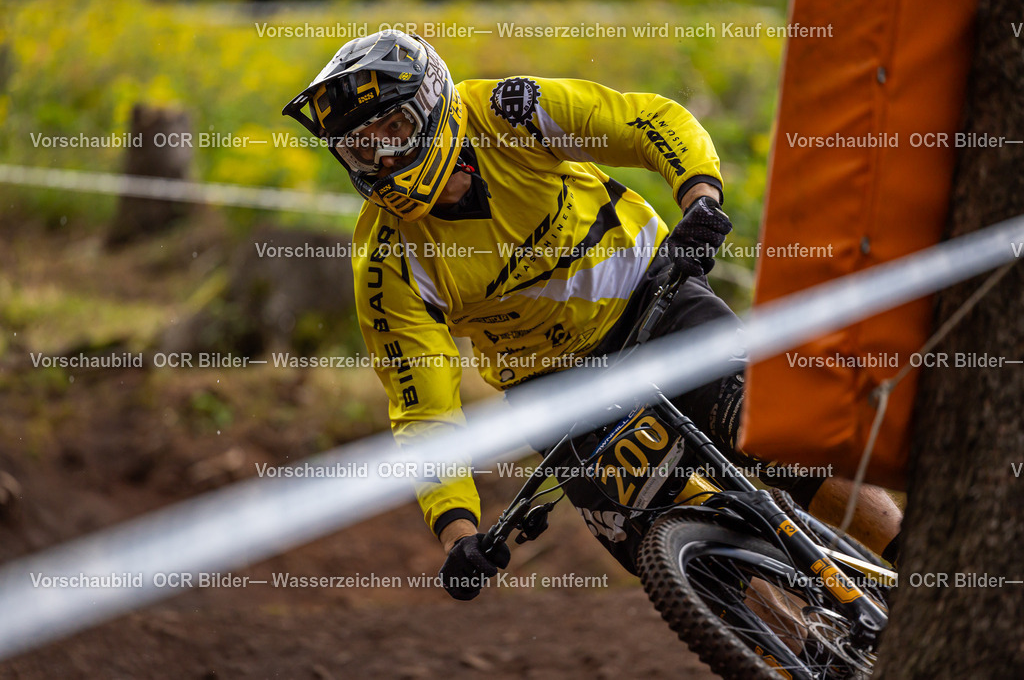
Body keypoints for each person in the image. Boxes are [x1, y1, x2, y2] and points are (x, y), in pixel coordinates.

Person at [283, 30, 902, 600]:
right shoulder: (385, 263)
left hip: (651, 299)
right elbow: (425, 410)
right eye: (362, 149)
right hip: (555, 387)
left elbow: (647, 121)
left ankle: (920, 561)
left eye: (393, 130)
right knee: (663, 545)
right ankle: (792, 649)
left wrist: (701, 199)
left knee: (773, 435)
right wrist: (457, 531)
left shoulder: (507, 111)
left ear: (437, 105)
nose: (384, 160)